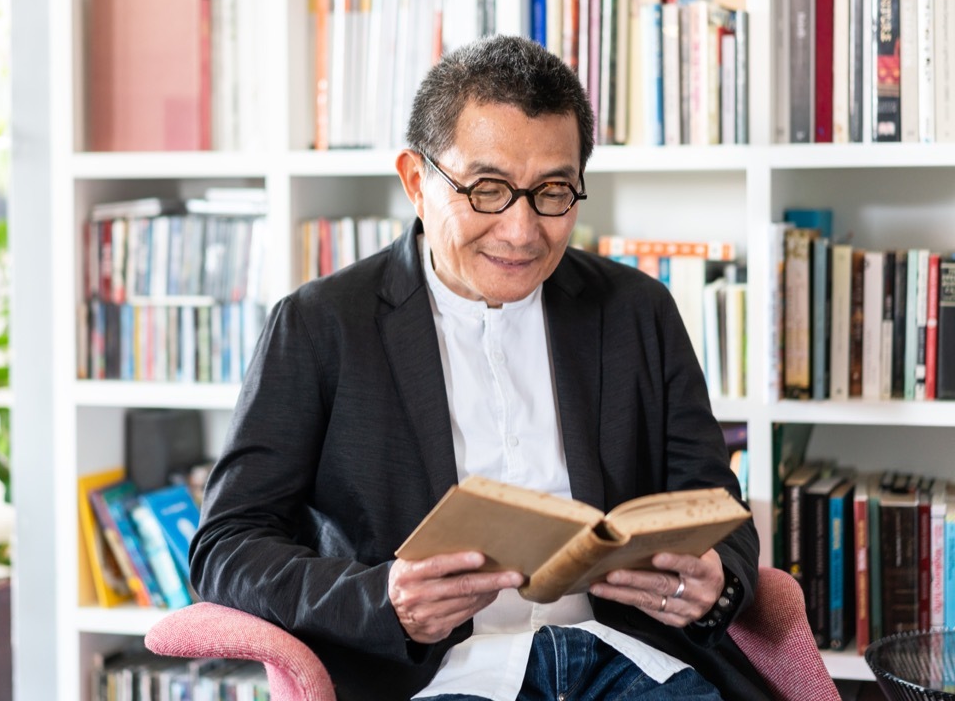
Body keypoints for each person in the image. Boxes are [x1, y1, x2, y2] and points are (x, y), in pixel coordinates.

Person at [189, 35, 770, 701]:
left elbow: (717, 507)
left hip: (626, 658)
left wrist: (714, 580)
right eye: (488, 190)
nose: (523, 232)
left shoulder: (637, 310)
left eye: (553, 192)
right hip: (437, 677)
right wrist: (383, 599)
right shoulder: (321, 324)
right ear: (416, 181)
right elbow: (226, 546)